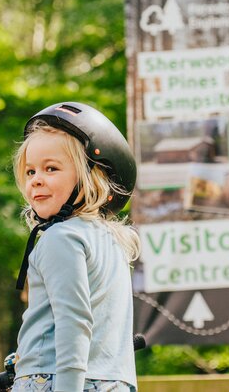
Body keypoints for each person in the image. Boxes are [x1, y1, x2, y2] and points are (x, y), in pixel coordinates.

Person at [11, 102, 139, 392]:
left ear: (90, 177)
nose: (36, 180)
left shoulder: (61, 238)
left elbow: (74, 324)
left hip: (57, 380)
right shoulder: (112, 241)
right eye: (30, 172)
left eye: (51, 168)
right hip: (114, 382)